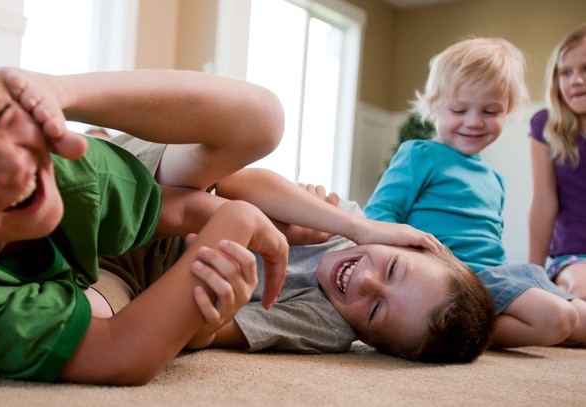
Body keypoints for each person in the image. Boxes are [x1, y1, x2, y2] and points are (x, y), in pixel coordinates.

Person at [0, 8, 441, 384]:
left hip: (111, 264)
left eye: (1, 116)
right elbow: (120, 355)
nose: (13, 166)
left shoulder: (68, 173)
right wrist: (233, 228)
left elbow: (174, 210)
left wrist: (227, 222)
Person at [364, 37, 586, 349]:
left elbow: (489, 244)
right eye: (459, 109)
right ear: (432, 106)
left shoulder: (494, 178)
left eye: (491, 111)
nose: (474, 121)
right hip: (453, 278)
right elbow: (378, 216)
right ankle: (456, 331)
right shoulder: (420, 155)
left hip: (494, 275)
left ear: (508, 111)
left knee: (581, 318)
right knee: (558, 318)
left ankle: (470, 323)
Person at [181, 170, 496, 363]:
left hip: (166, 274)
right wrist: (327, 226)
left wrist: (209, 317)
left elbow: (203, 334)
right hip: (182, 196)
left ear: (368, 339)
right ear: (405, 241)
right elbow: (232, 184)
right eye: (393, 268)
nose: (367, 282)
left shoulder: (328, 327)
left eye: (375, 310)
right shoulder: (350, 222)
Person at [528, 24, 586, 301]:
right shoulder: (545, 126)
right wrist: (532, 275)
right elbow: (543, 202)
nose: (576, 80)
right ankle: (558, 295)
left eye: (585, 69)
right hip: (574, 255)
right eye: (566, 72)